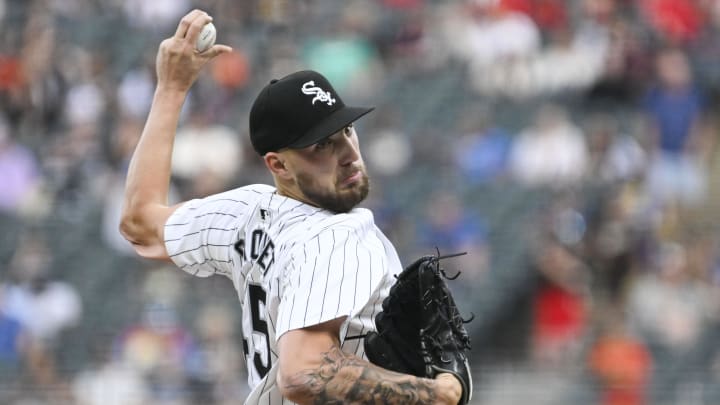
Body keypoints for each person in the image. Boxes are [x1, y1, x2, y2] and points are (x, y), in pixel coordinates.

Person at [119, 9, 464, 404]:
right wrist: (432, 394)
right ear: (278, 164)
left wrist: (171, 89)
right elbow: (304, 372)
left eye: (346, 131)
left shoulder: (246, 214)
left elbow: (140, 222)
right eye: (323, 145)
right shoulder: (339, 236)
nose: (349, 153)